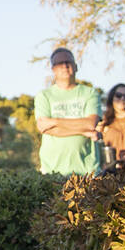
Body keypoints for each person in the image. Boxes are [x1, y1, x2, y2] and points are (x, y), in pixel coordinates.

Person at [34, 48, 100, 176]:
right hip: (52, 170)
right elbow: (43, 127)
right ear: (53, 69)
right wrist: (82, 131)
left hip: (87, 171)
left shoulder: (90, 93)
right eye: (60, 63)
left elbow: (91, 123)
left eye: (68, 62)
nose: (65, 66)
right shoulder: (44, 95)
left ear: (75, 66)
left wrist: (53, 122)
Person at [96, 83, 125, 172]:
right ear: (111, 98)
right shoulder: (103, 123)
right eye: (118, 95)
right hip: (110, 174)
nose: (122, 99)